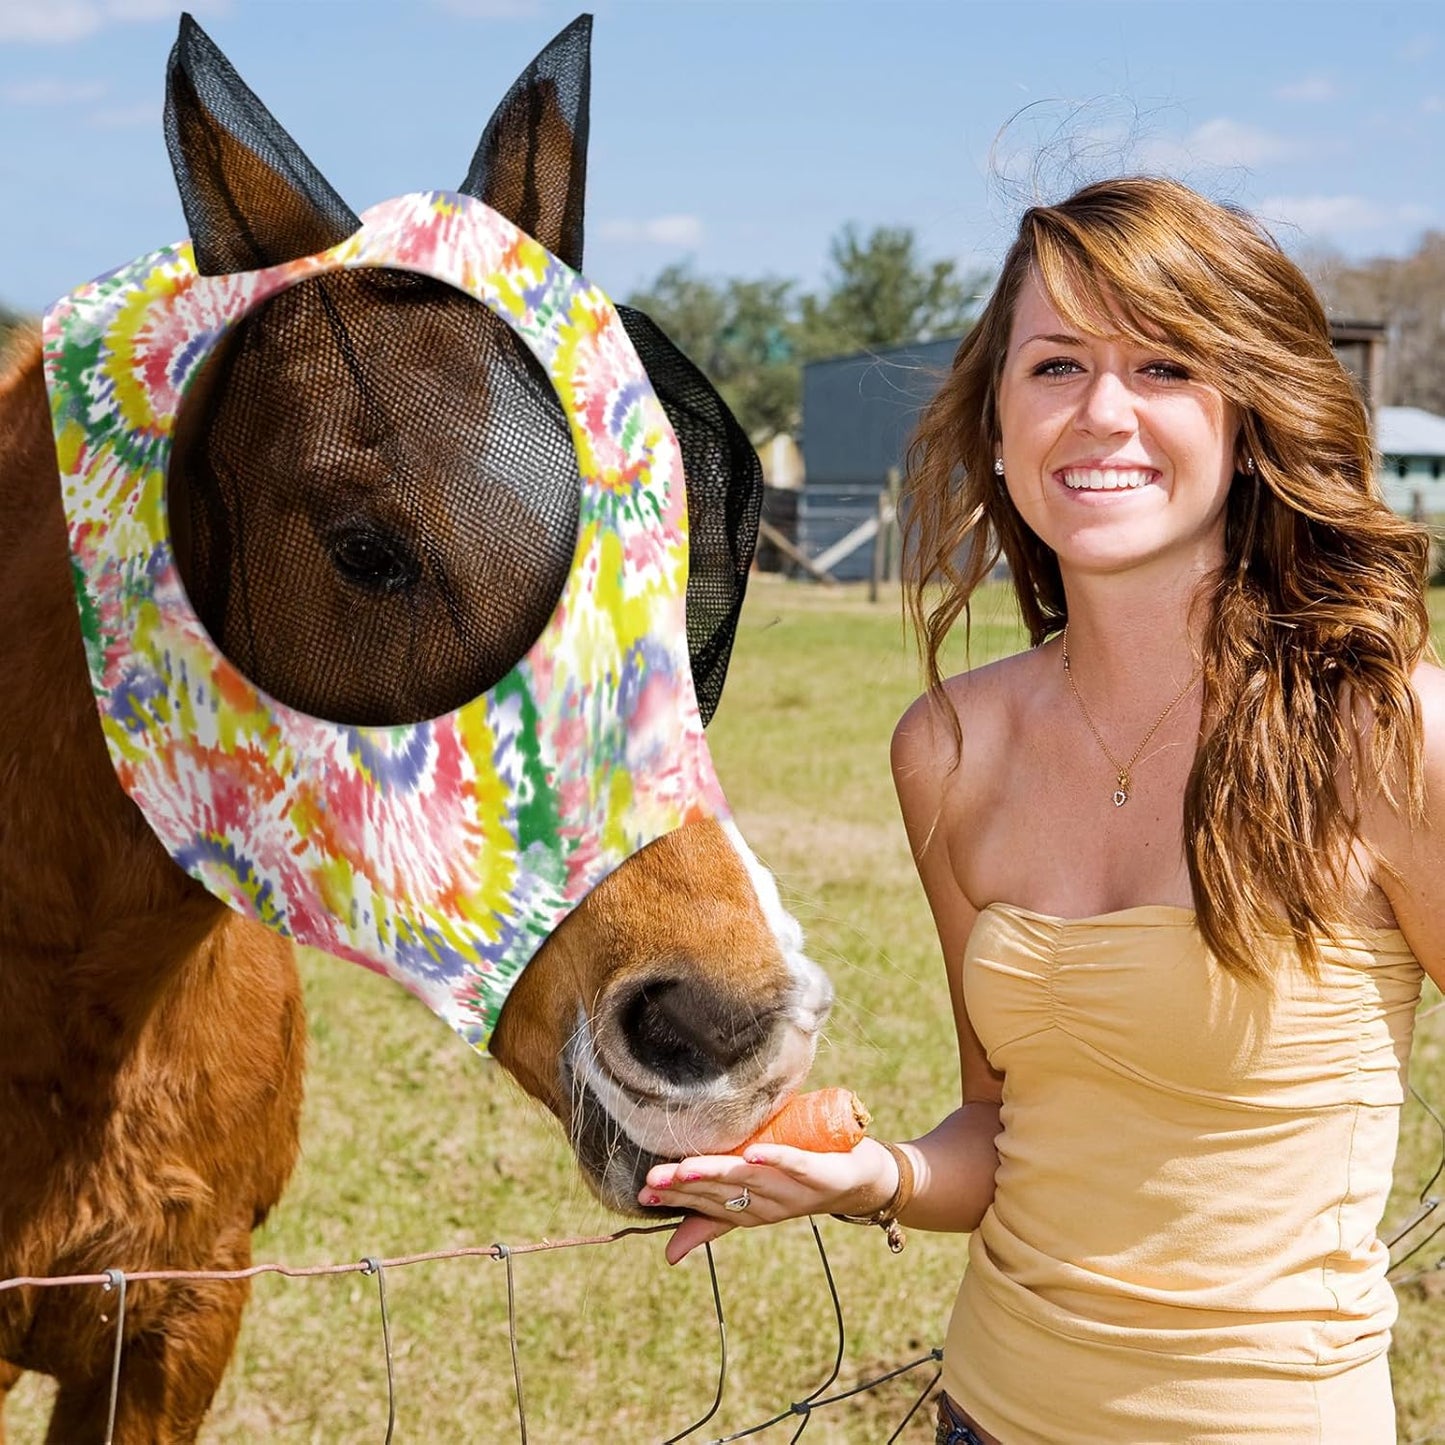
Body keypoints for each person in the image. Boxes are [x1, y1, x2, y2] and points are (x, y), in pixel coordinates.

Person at [640, 176, 1445, 1443]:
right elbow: (998, 1125)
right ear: (1000, 418)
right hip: (985, 1412)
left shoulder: (1385, 731)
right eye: (1056, 362)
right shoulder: (950, 748)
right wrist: (870, 1175)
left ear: (1248, 414)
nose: (1100, 411)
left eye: (1165, 364)